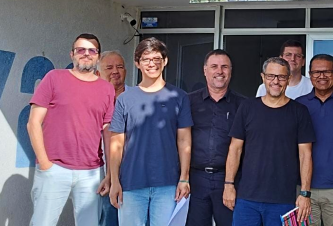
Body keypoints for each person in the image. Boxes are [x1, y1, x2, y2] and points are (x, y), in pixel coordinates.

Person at [27, 33, 115, 226]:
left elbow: (108, 133)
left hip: (91, 172)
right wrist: (44, 163)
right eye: (80, 50)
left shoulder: (107, 89)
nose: (86, 54)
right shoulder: (54, 78)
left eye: (92, 50)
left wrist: (109, 174)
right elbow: (33, 123)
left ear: (98, 56)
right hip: (54, 167)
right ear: (72, 54)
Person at [109, 37, 193, 226]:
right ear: (137, 63)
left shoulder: (179, 97)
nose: (152, 64)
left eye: (157, 59)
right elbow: (116, 144)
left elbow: (184, 141)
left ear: (165, 61)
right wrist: (115, 181)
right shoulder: (125, 99)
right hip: (131, 183)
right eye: (146, 59)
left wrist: (184, 178)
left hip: (168, 183)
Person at [224, 57, 316, 226]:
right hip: (246, 199)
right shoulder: (247, 107)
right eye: (271, 76)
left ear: (288, 79)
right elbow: (235, 149)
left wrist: (305, 194)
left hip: (284, 200)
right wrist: (228, 184)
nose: (276, 81)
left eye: (281, 77)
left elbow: (306, 155)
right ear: (263, 77)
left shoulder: (299, 112)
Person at [186, 49, 246, 226]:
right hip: (195, 179)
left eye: (224, 67)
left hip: (229, 180)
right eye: (214, 66)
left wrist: (232, 183)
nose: (220, 71)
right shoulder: (188, 102)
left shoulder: (243, 105)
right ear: (205, 70)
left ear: (230, 71)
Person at [296, 54, 333, 226]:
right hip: (304, 188)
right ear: (309, 74)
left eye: (327, 72)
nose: (321, 76)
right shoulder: (299, 106)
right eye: (316, 72)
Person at [98, 50, 128, 226]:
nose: (115, 71)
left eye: (120, 67)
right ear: (98, 73)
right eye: (109, 67)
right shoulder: (92, 101)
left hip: (132, 175)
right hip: (99, 175)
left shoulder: (136, 98)